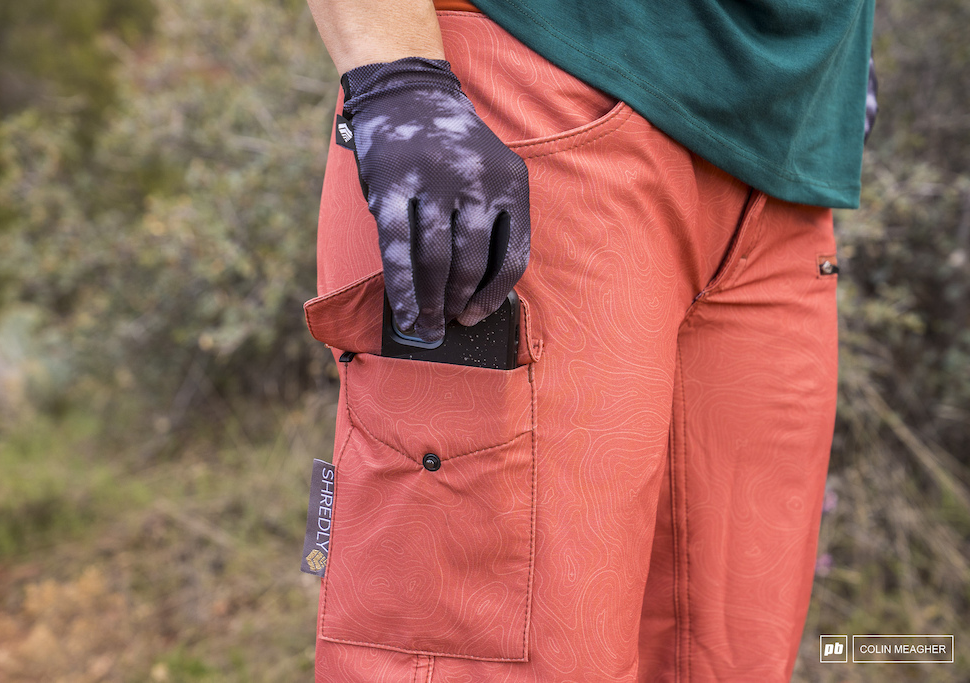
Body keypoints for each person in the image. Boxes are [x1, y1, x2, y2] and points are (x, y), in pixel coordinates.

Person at [302, 0, 875, 680]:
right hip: (534, 96)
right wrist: (397, 78)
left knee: (732, 659)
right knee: (486, 657)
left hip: (786, 146)